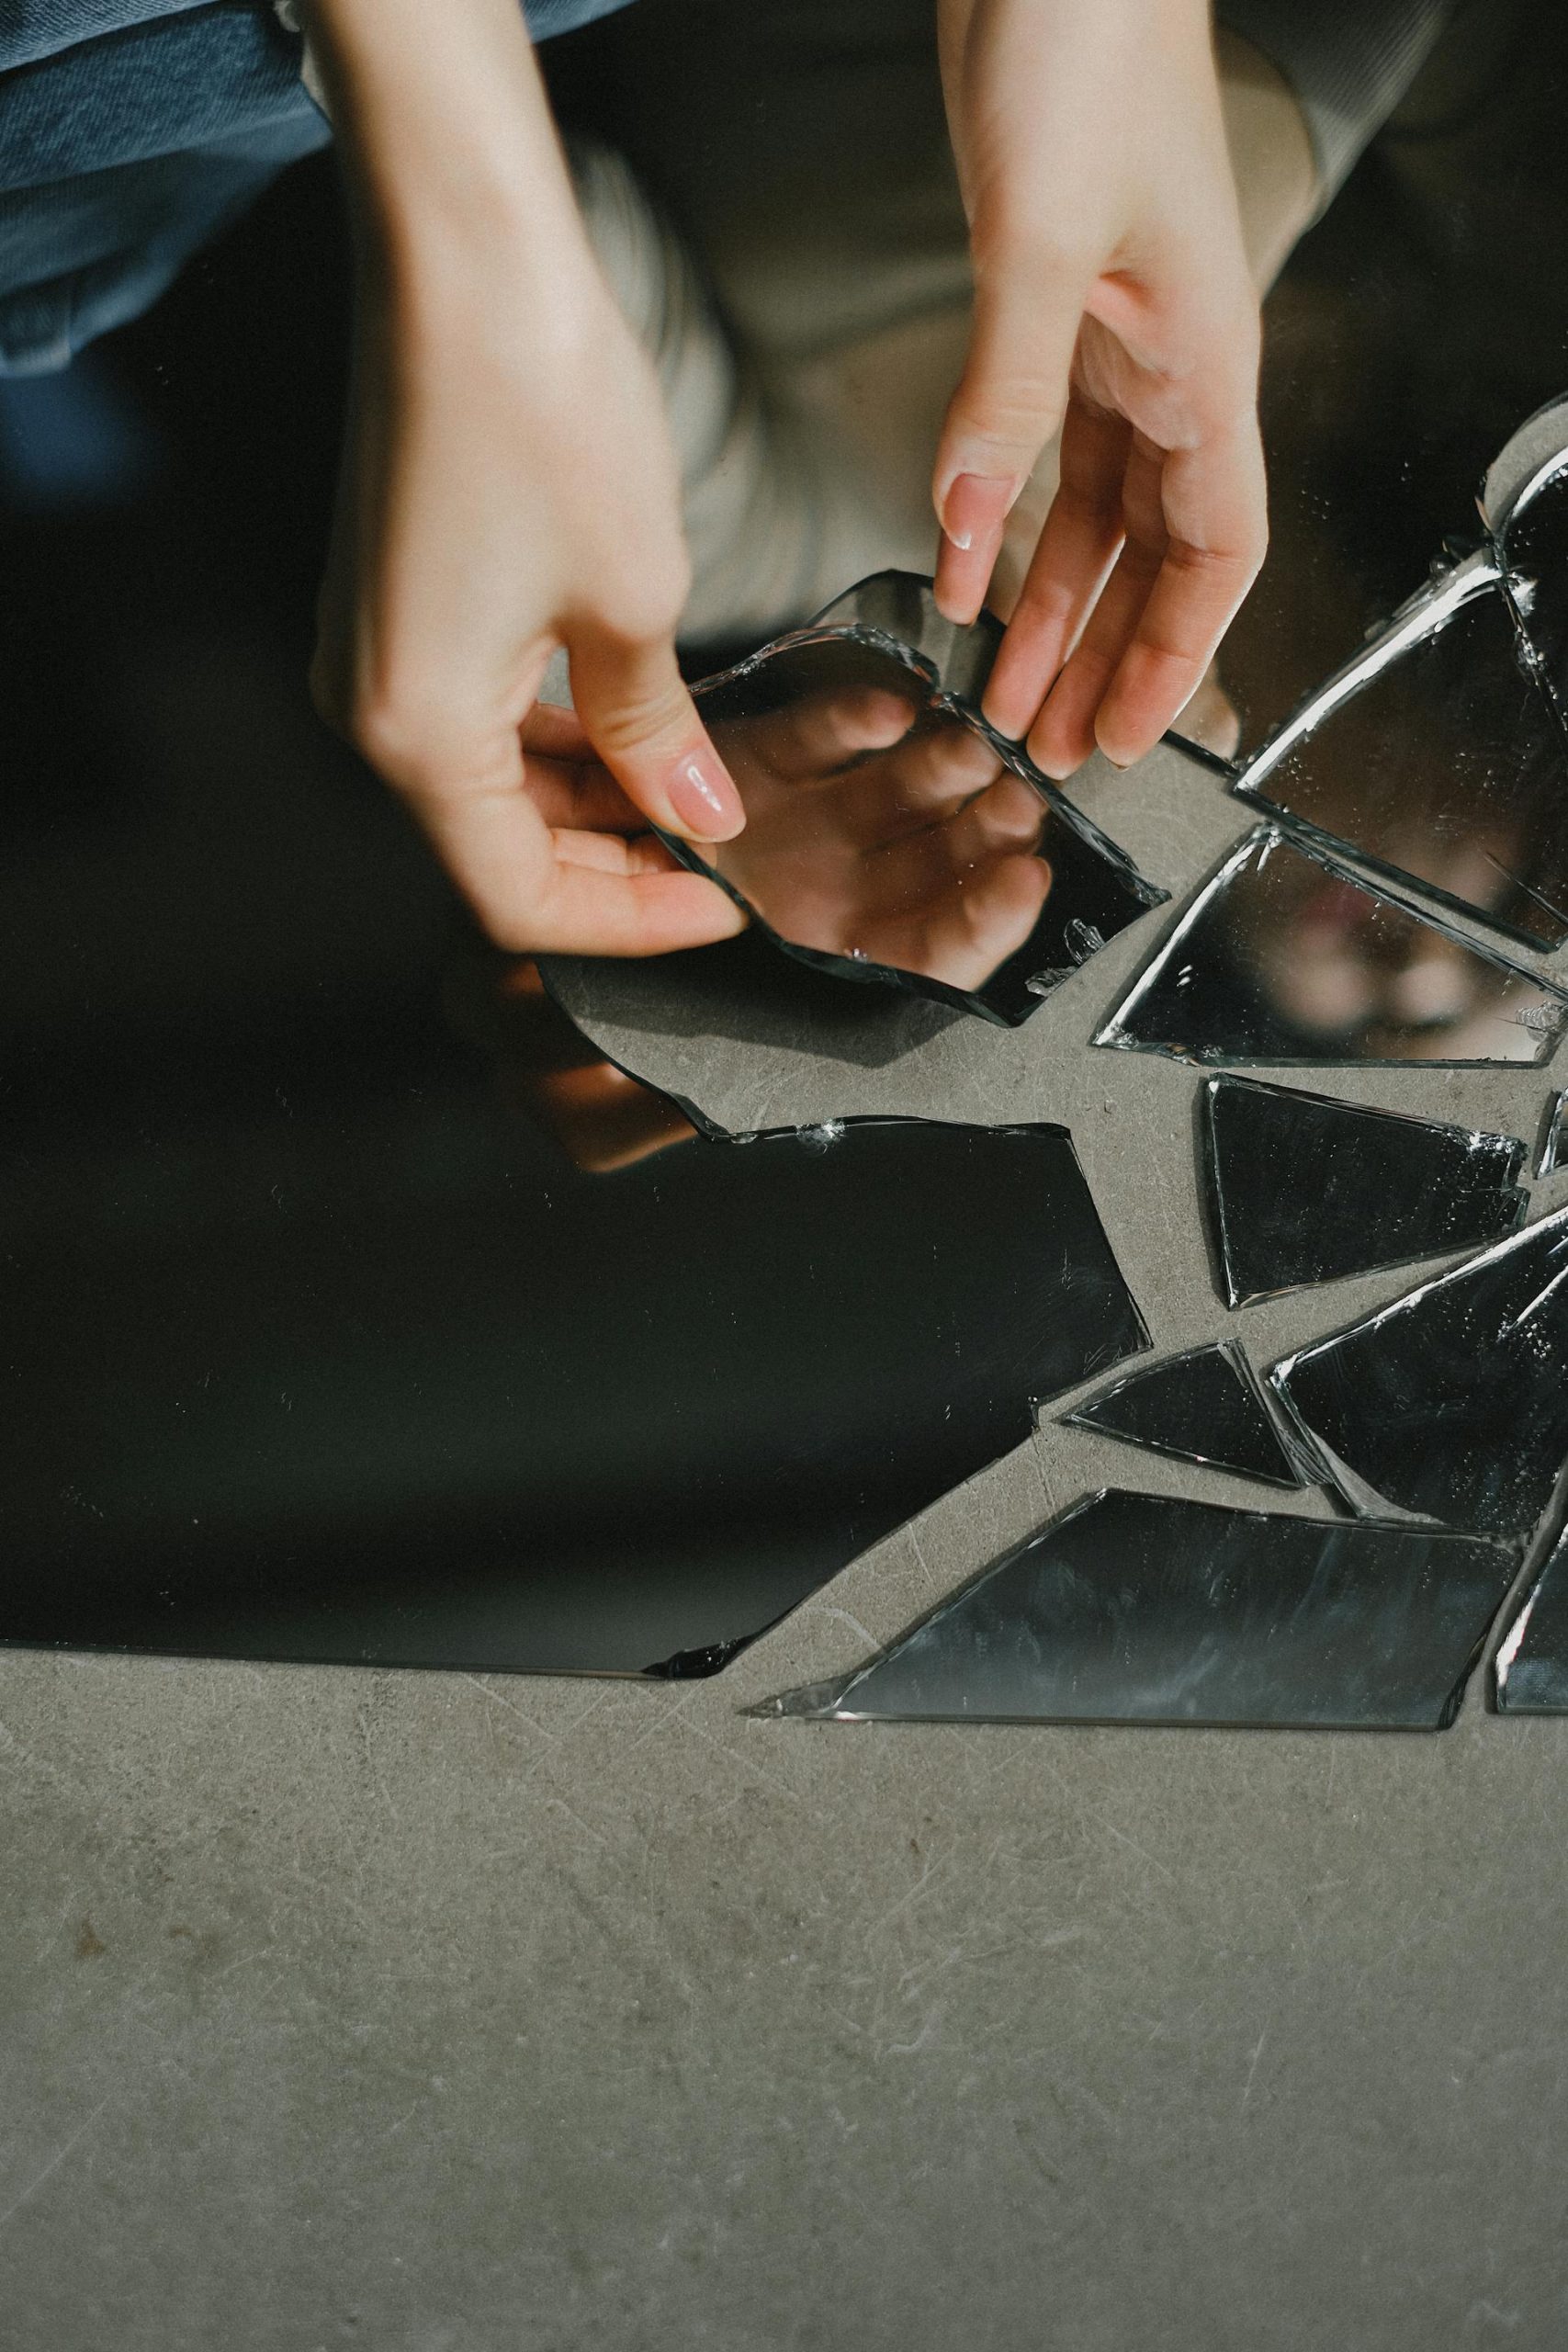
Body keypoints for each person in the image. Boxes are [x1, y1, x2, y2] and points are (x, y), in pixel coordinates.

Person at [1, 0, 1455, 965]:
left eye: (1382, 1042)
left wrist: (494, 252)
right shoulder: (1469, 211)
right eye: (1519, 1001)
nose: (1425, 1001)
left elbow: (553, 310)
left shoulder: (803, 547)